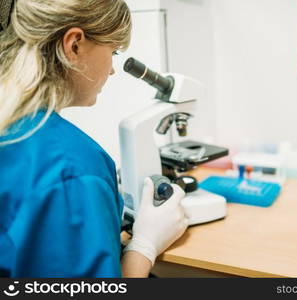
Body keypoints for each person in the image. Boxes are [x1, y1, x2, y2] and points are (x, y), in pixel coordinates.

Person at [0, 0, 188, 278]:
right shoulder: (72, 168)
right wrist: (144, 247)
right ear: (74, 45)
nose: (112, 70)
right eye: (112, 51)